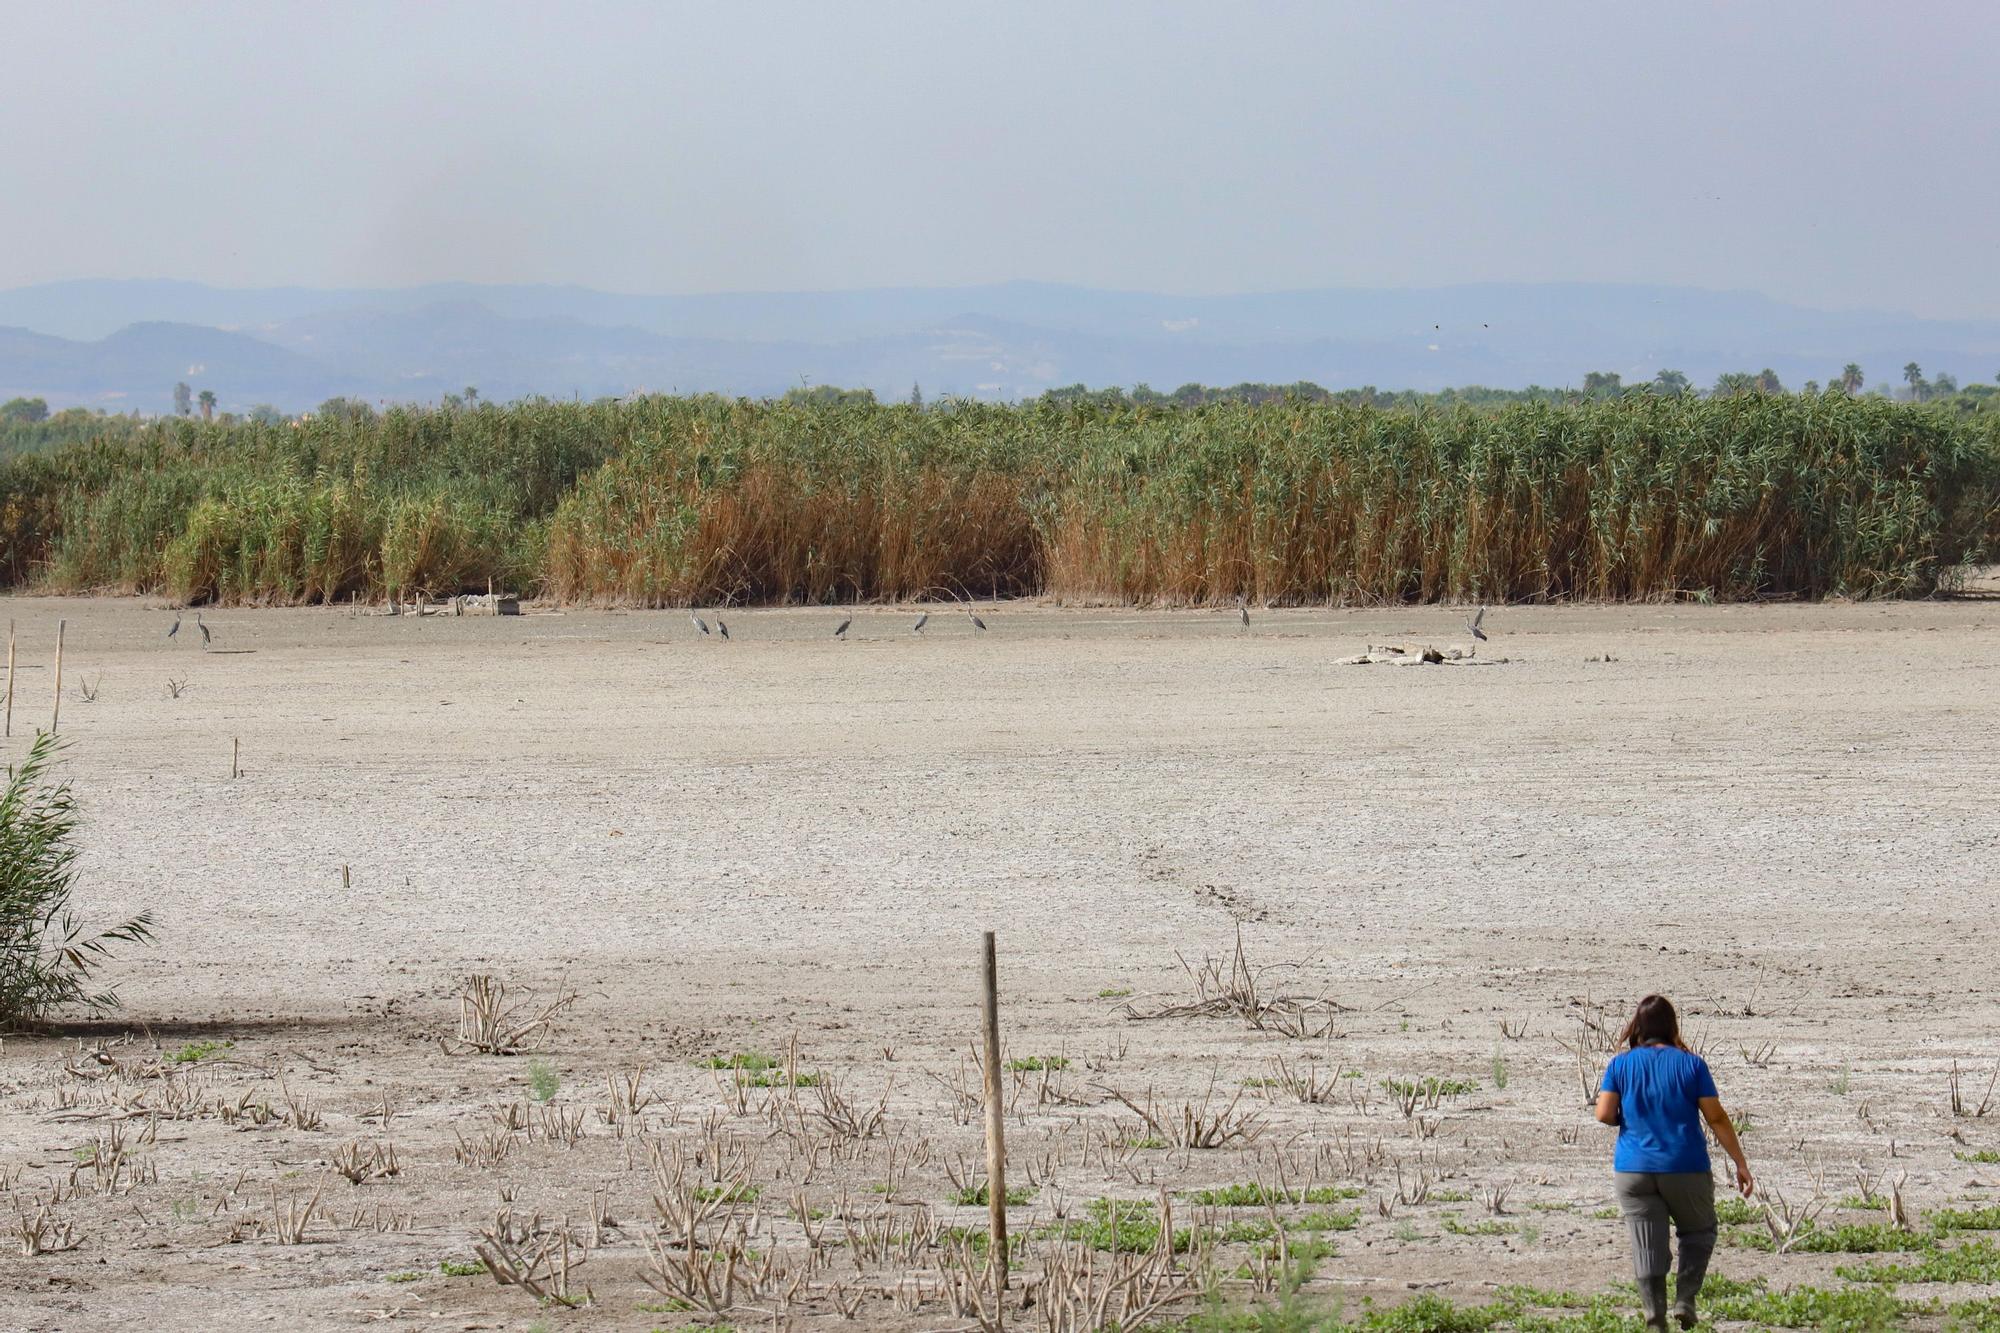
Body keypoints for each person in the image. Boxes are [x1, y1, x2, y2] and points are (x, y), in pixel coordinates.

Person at [1595, 994, 1753, 1331]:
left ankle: (1655, 1319)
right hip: (1685, 1165)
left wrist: (1632, 1117)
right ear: (1672, 1026)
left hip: (1633, 1169)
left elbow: (1604, 1113)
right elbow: (1717, 1118)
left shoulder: (1620, 1065)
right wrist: (1740, 1162)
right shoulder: (1691, 1065)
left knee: (1647, 1245)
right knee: (1699, 1231)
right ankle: (1685, 1299)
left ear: (1636, 1027)